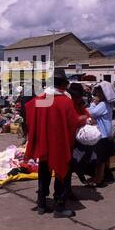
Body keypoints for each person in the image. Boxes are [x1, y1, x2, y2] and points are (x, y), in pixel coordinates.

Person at [25, 69, 77, 218]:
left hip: (44, 143)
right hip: (59, 144)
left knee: (43, 172)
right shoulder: (65, 101)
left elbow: (29, 113)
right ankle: (59, 207)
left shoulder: (41, 99)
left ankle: (41, 204)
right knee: (61, 174)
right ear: (63, 85)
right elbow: (72, 122)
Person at [87, 84, 114, 187]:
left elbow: (92, 112)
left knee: (99, 160)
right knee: (103, 158)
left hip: (102, 134)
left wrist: (93, 104)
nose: (96, 94)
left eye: (98, 92)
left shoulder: (102, 104)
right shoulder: (106, 104)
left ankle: (98, 180)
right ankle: (105, 176)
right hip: (105, 133)